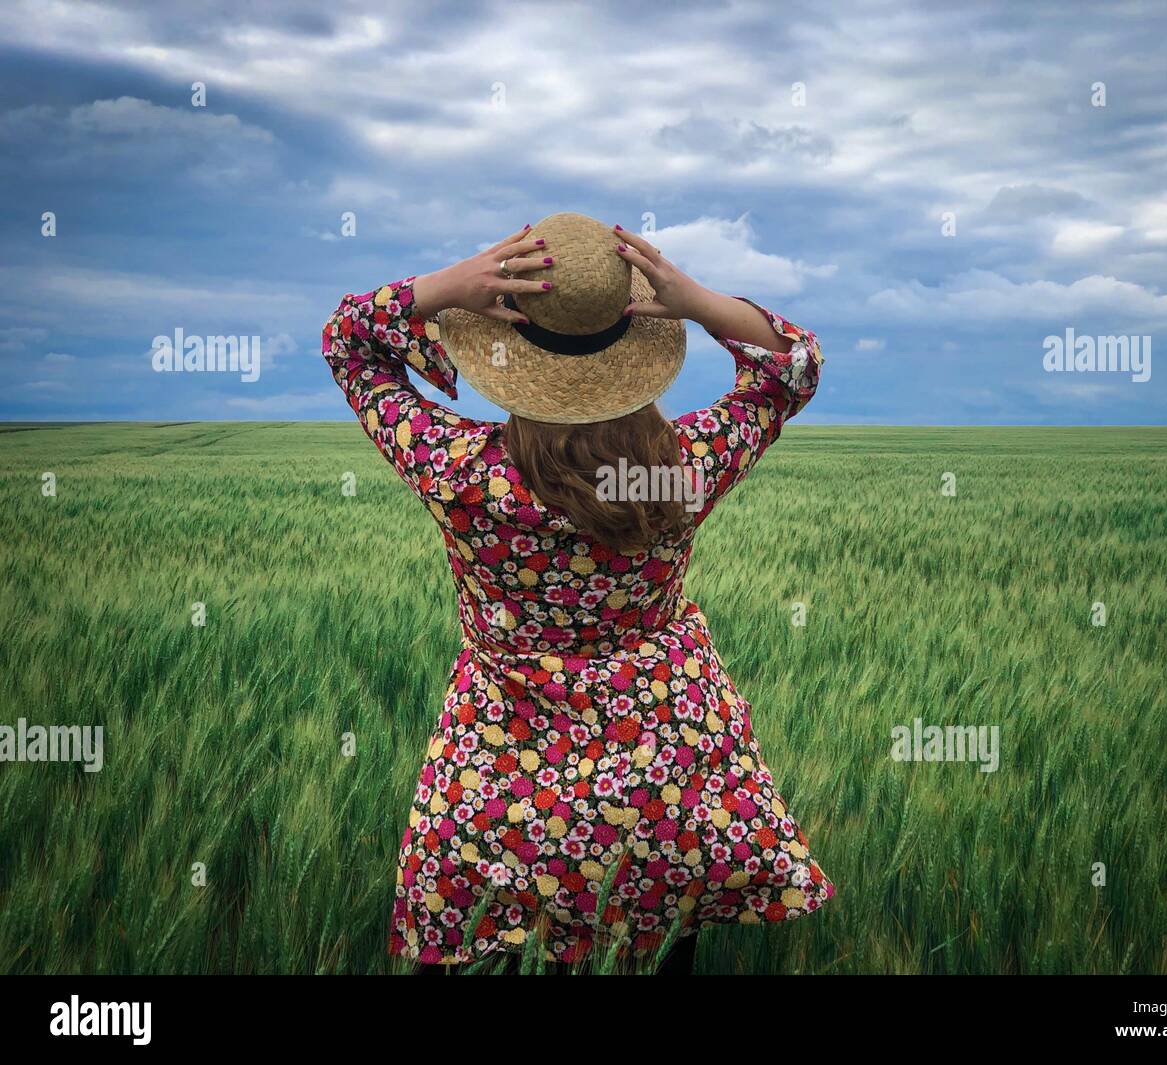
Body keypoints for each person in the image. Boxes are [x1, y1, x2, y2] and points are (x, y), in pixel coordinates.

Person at [322, 212, 834, 974]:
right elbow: (791, 364)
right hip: (669, 790)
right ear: (634, 349)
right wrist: (694, 299)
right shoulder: (683, 469)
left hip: (496, 796)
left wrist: (448, 286)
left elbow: (349, 343)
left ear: (507, 345)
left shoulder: (460, 471)